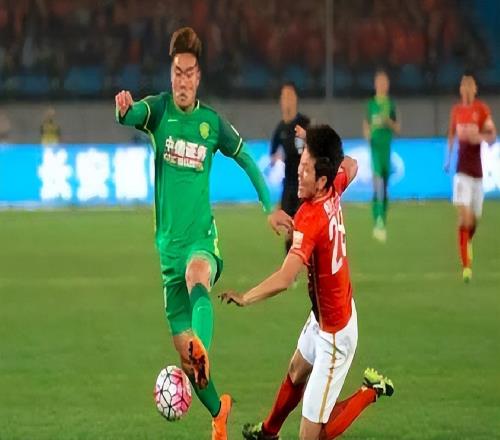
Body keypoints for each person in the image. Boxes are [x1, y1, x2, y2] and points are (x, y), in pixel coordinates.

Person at [115, 27, 292, 440]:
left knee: (198, 277)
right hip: (168, 251)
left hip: (201, 241)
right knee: (188, 361)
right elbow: (132, 114)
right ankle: (218, 411)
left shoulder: (210, 123)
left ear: (198, 77)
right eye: (176, 72)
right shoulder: (158, 111)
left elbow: (246, 158)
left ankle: (202, 347)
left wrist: (269, 207)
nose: (182, 80)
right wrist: (123, 110)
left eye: (189, 73)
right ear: (171, 74)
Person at [221, 125, 394, 440]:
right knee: (296, 371)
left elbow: (286, 278)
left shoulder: (309, 217)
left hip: (335, 335)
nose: (298, 174)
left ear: (322, 180)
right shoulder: (334, 186)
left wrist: (246, 297)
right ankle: (269, 433)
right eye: (300, 165)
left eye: (305, 169)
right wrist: (319, 141)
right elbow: (351, 164)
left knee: (311, 436)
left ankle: (369, 391)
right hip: (325, 315)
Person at [444, 74, 496, 282]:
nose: (466, 88)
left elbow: (492, 136)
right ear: (460, 89)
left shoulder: (482, 110)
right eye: (463, 85)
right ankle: (466, 266)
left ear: (475, 89)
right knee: (464, 217)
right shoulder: (456, 111)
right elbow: (451, 135)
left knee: (473, 220)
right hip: (461, 171)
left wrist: (479, 137)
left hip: (477, 173)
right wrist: (447, 158)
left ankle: (467, 241)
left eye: (469, 85)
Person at [270, 82, 310, 253]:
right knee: (289, 230)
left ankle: (309, 263)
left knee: (304, 230)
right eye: (284, 96)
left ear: (296, 99)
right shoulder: (280, 129)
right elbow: (272, 155)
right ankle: (290, 266)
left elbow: (316, 146)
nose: (287, 100)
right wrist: (276, 158)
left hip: (305, 184)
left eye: (290, 96)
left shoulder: (304, 123)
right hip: (289, 186)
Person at [363, 70, 400, 242]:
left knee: (384, 187)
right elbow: (366, 126)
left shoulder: (391, 105)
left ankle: (382, 220)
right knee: (377, 184)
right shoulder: (371, 105)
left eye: (384, 82)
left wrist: (388, 122)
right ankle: (377, 221)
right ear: (375, 84)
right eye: (380, 82)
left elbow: (398, 128)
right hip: (375, 149)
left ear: (388, 85)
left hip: (387, 149)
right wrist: (368, 134)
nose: (382, 85)